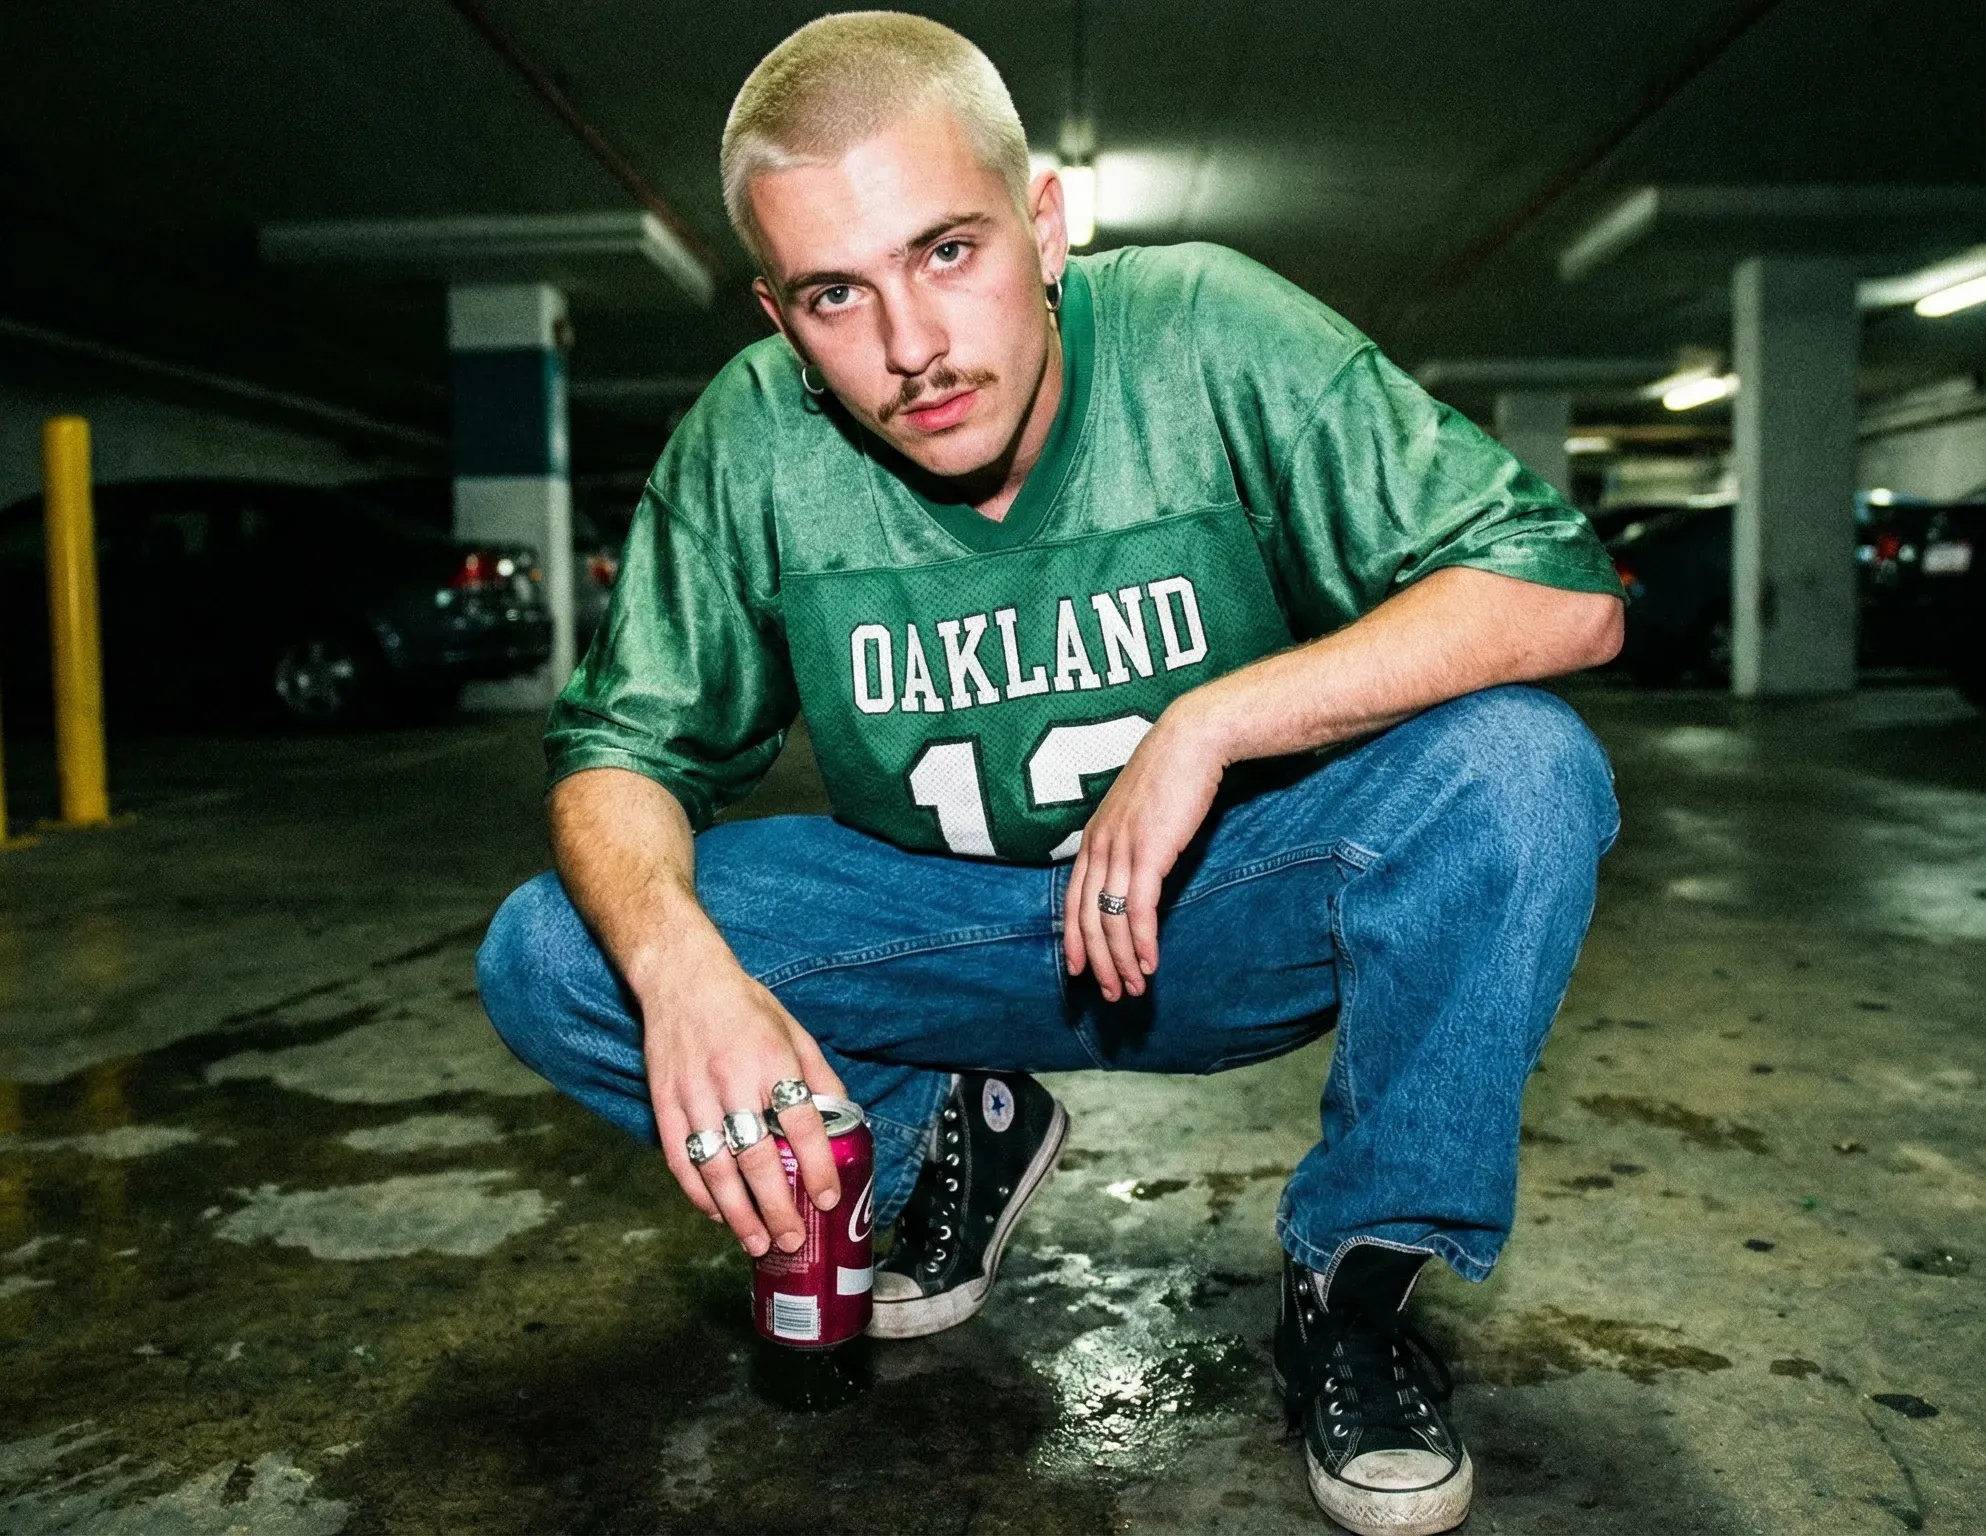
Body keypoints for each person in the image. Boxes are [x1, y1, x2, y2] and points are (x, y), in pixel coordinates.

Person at [476, 13, 1621, 1533]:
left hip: (1220, 916)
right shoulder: (752, 439)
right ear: (778, 311)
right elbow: (617, 751)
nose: (909, 347)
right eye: (835, 293)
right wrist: (685, 971)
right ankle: (930, 1139)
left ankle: (1355, 1288)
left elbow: (1563, 593)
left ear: (1044, 220)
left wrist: (1212, 720)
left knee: (1524, 771)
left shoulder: (1210, 330)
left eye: (947, 252)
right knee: (563, 946)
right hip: (942, 935)